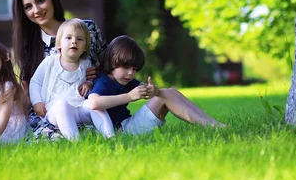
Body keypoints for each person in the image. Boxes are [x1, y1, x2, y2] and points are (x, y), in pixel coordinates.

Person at [12, 0, 107, 140]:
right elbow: (33, 90)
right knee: (51, 139)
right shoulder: (29, 48)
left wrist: (94, 77)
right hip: (51, 113)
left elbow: (110, 65)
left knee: (99, 124)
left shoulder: (87, 29)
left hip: (89, 105)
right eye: (28, 7)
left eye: (40, 1)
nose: (36, 10)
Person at [87, 35, 224, 135]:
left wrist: (154, 90)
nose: (130, 73)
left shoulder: (125, 80)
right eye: (126, 67)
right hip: (122, 131)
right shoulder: (104, 81)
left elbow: (151, 91)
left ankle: (214, 124)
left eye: (134, 69)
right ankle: (211, 126)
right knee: (164, 96)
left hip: (128, 125)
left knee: (169, 92)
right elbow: (93, 103)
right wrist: (129, 96)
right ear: (112, 62)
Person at [29, 19, 114, 140]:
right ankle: (75, 140)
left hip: (78, 107)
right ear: (59, 43)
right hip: (55, 110)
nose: (74, 41)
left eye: (79, 39)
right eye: (68, 38)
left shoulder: (86, 63)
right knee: (62, 105)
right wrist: (37, 102)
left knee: (94, 105)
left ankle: (110, 136)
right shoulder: (50, 62)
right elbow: (35, 82)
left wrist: (88, 84)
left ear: (85, 47)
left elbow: (90, 80)